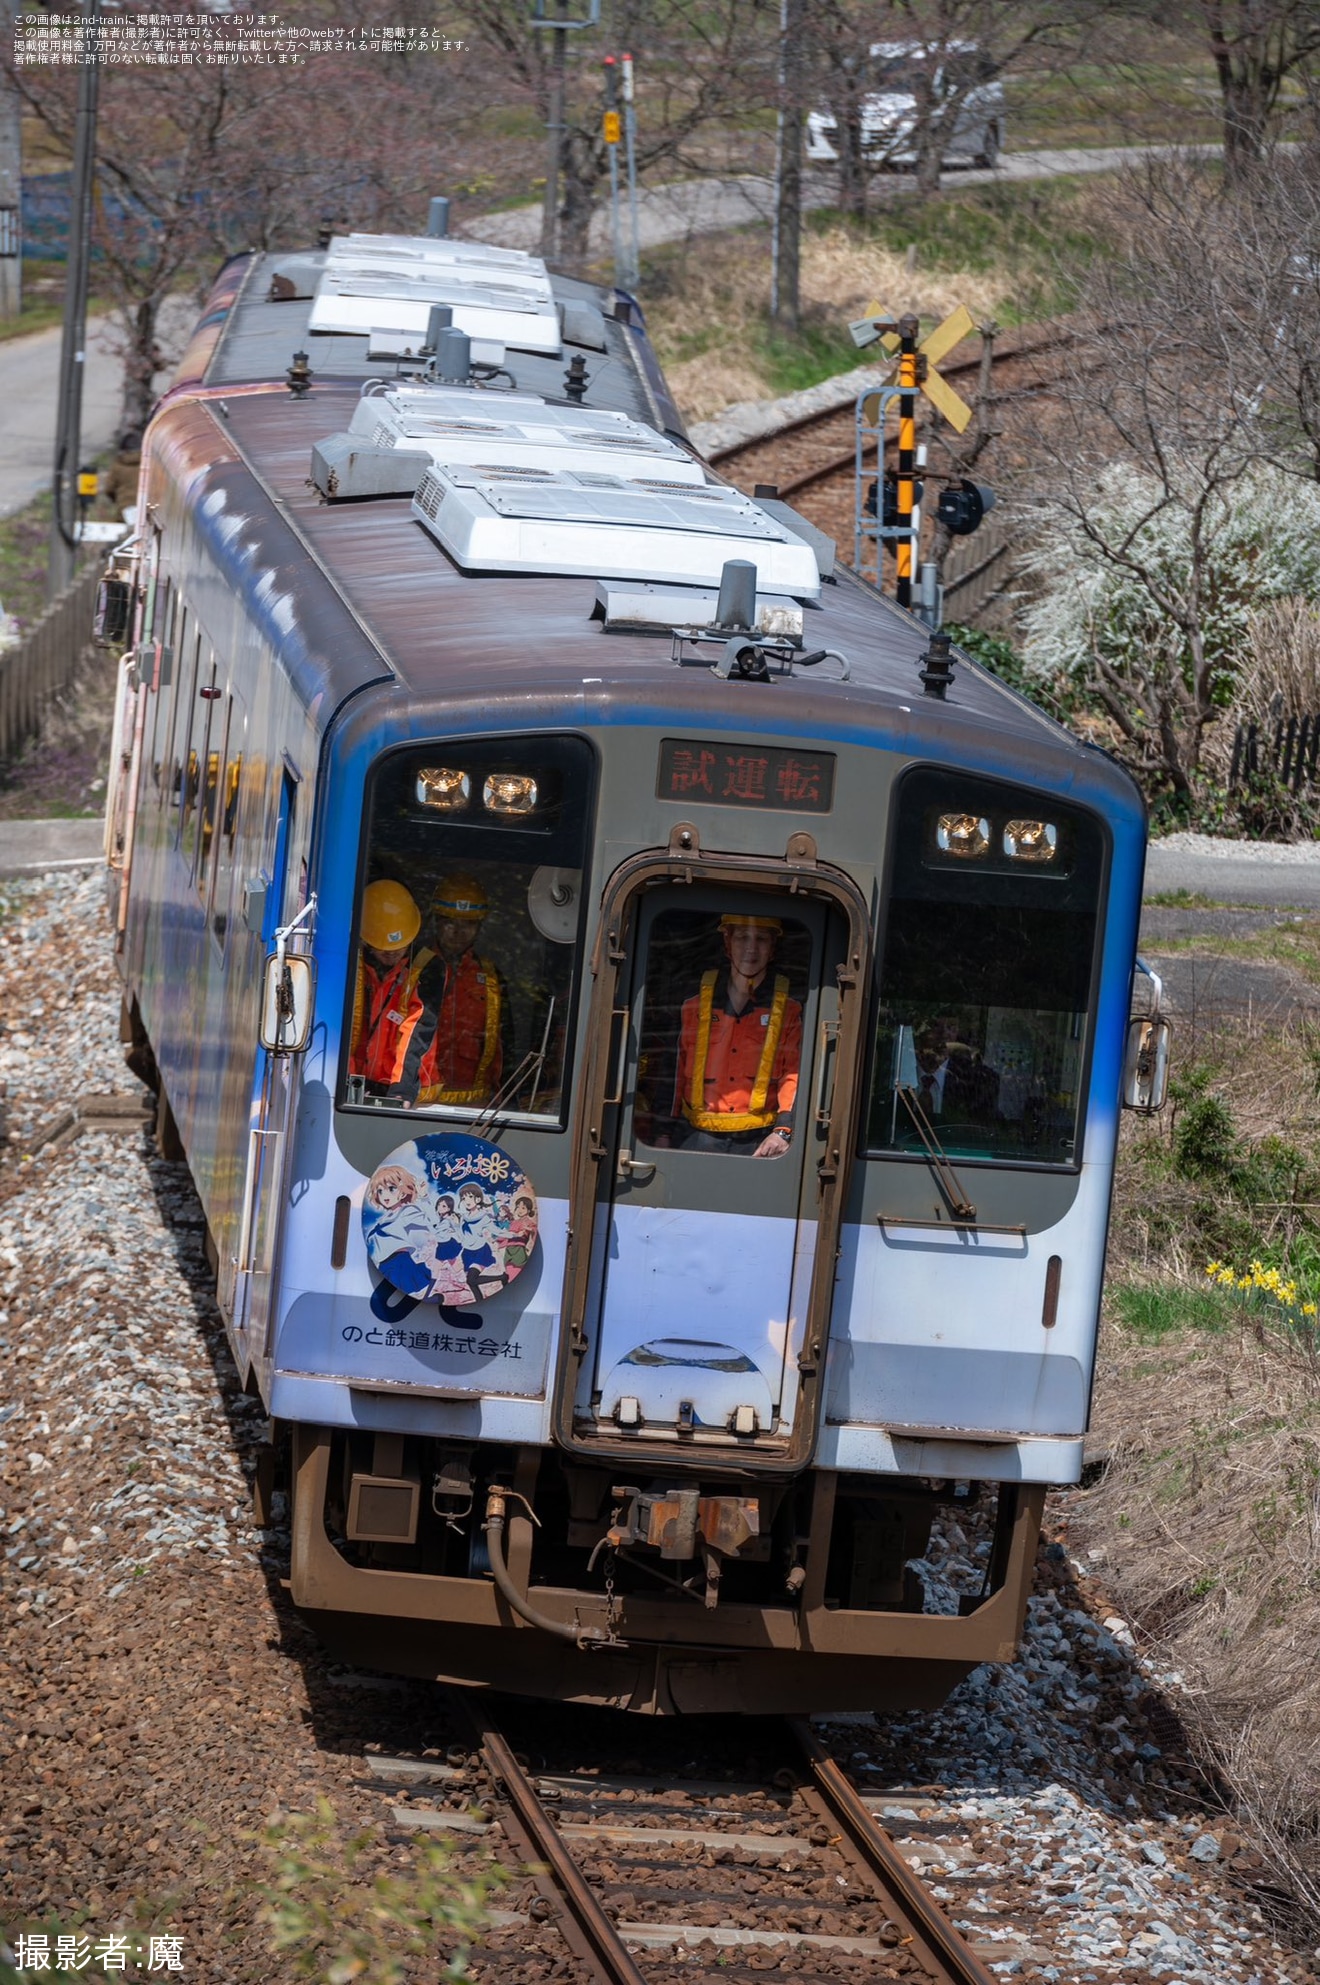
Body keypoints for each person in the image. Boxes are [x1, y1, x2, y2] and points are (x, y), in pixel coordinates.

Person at [672, 913, 802, 1158]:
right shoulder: (693, 1001)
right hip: (696, 1137)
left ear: (772, 948)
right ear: (727, 943)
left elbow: (793, 1073)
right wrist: (663, 1131)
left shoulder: (791, 1008)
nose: (751, 948)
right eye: (742, 937)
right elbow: (673, 1068)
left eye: (762, 939)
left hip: (761, 1141)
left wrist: (784, 1131)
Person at [403, 875, 507, 1108]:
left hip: (474, 1105)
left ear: (480, 926)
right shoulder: (414, 966)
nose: (459, 931)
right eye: (451, 921)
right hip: (418, 1100)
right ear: (436, 921)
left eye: (469, 923)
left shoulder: (490, 976)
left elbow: (503, 1043)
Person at [348, 879, 424, 1096]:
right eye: (382, 947)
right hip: (354, 1084)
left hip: (398, 1089)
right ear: (365, 939)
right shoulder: (351, 967)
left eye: (400, 946)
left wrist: (403, 1088)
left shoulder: (423, 971)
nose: (391, 952)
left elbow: (416, 1030)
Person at [911, 1018, 1000, 1123]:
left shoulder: (978, 1082)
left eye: (951, 1027)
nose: (944, 1034)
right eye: (935, 1025)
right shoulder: (895, 1069)